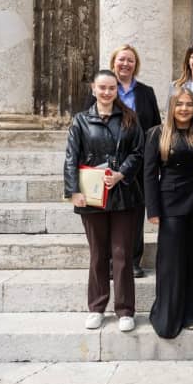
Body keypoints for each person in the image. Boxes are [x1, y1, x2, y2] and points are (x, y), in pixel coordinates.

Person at [64, 69, 145, 333]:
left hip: (123, 195)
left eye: (112, 88)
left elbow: (138, 152)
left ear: (117, 90)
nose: (107, 92)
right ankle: (97, 308)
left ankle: (125, 310)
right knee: (98, 254)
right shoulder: (80, 121)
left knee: (122, 254)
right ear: (93, 89)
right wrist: (73, 190)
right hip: (92, 195)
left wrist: (122, 173)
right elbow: (71, 157)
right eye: (102, 88)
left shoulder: (129, 118)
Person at [86, 44, 161, 278]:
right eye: (121, 60)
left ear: (135, 64)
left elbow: (155, 127)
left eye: (130, 60)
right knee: (107, 213)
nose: (125, 64)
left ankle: (133, 260)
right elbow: (88, 122)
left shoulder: (146, 92)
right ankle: (109, 261)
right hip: (107, 161)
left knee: (135, 213)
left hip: (138, 160)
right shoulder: (104, 89)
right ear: (113, 63)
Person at [144, 87, 193, 338]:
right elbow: (149, 174)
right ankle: (168, 317)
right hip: (171, 204)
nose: (184, 109)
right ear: (172, 107)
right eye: (180, 104)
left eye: (189, 104)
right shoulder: (157, 134)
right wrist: (153, 209)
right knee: (171, 262)